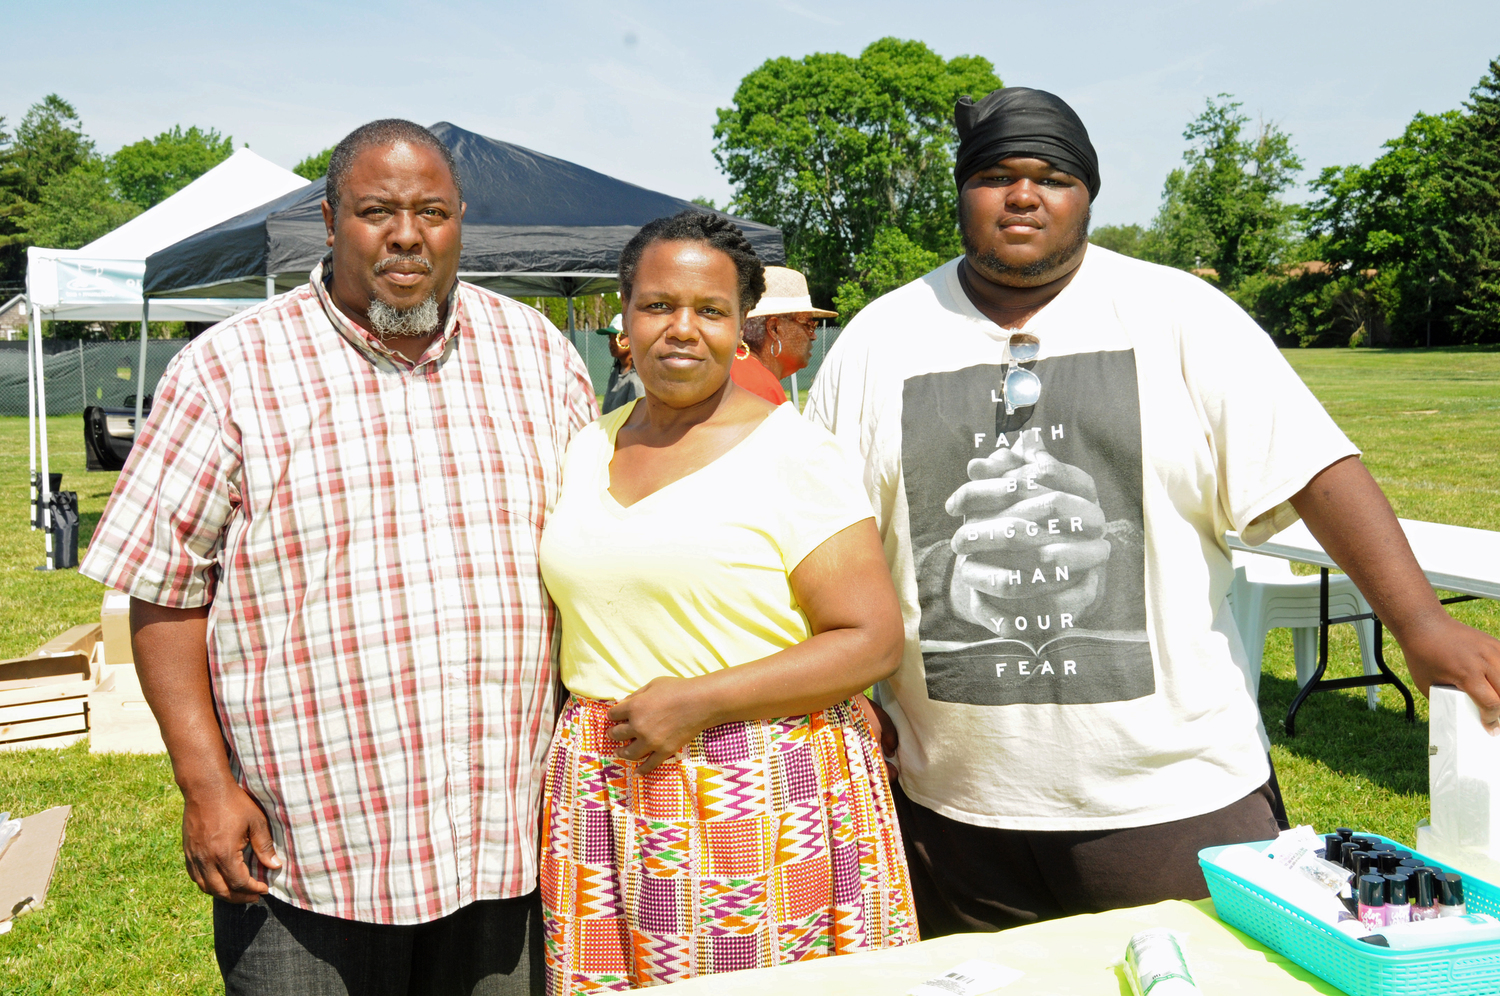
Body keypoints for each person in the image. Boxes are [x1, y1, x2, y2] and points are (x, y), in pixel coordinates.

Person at [805, 87, 1500, 936]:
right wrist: (840, 690)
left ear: (1088, 194)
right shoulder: (880, 341)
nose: (1024, 195)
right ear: (960, 193)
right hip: (955, 802)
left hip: (1171, 796)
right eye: (995, 175)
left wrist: (1422, 626)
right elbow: (814, 532)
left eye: (1052, 176)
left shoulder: (1181, 316)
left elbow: (1315, 467)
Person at [81, 119, 598, 995]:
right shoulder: (231, 369)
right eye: (376, 212)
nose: (406, 235)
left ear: (460, 220)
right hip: (308, 852)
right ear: (329, 223)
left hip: (505, 842)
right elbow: (166, 591)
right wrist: (206, 786)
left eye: (431, 211)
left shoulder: (537, 355)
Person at [536, 211, 917, 994]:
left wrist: (701, 701)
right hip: (606, 783)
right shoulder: (588, 445)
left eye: (709, 311)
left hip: (753, 783)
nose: (681, 329)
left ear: (741, 327)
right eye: (657, 306)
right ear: (624, 316)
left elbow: (872, 641)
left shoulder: (792, 453)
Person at [728, 266, 833, 405]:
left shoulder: (731, 367)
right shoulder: (761, 388)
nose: (813, 336)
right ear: (774, 328)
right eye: (808, 324)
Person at [598, 313, 645, 413]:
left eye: (617, 337)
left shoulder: (639, 378)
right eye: (610, 338)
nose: (611, 342)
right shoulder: (615, 373)